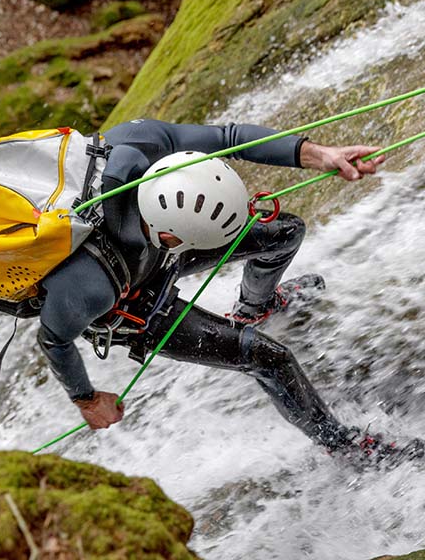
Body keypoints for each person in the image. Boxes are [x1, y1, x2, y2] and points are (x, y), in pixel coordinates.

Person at [35, 117, 422, 464]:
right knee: (271, 358)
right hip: (132, 304)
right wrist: (85, 398)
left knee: (285, 233)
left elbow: (229, 137)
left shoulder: (141, 142)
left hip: (158, 248)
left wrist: (319, 155)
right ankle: (340, 445)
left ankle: (255, 307)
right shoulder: (87, 286)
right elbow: (54, 339)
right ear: (173, 238)